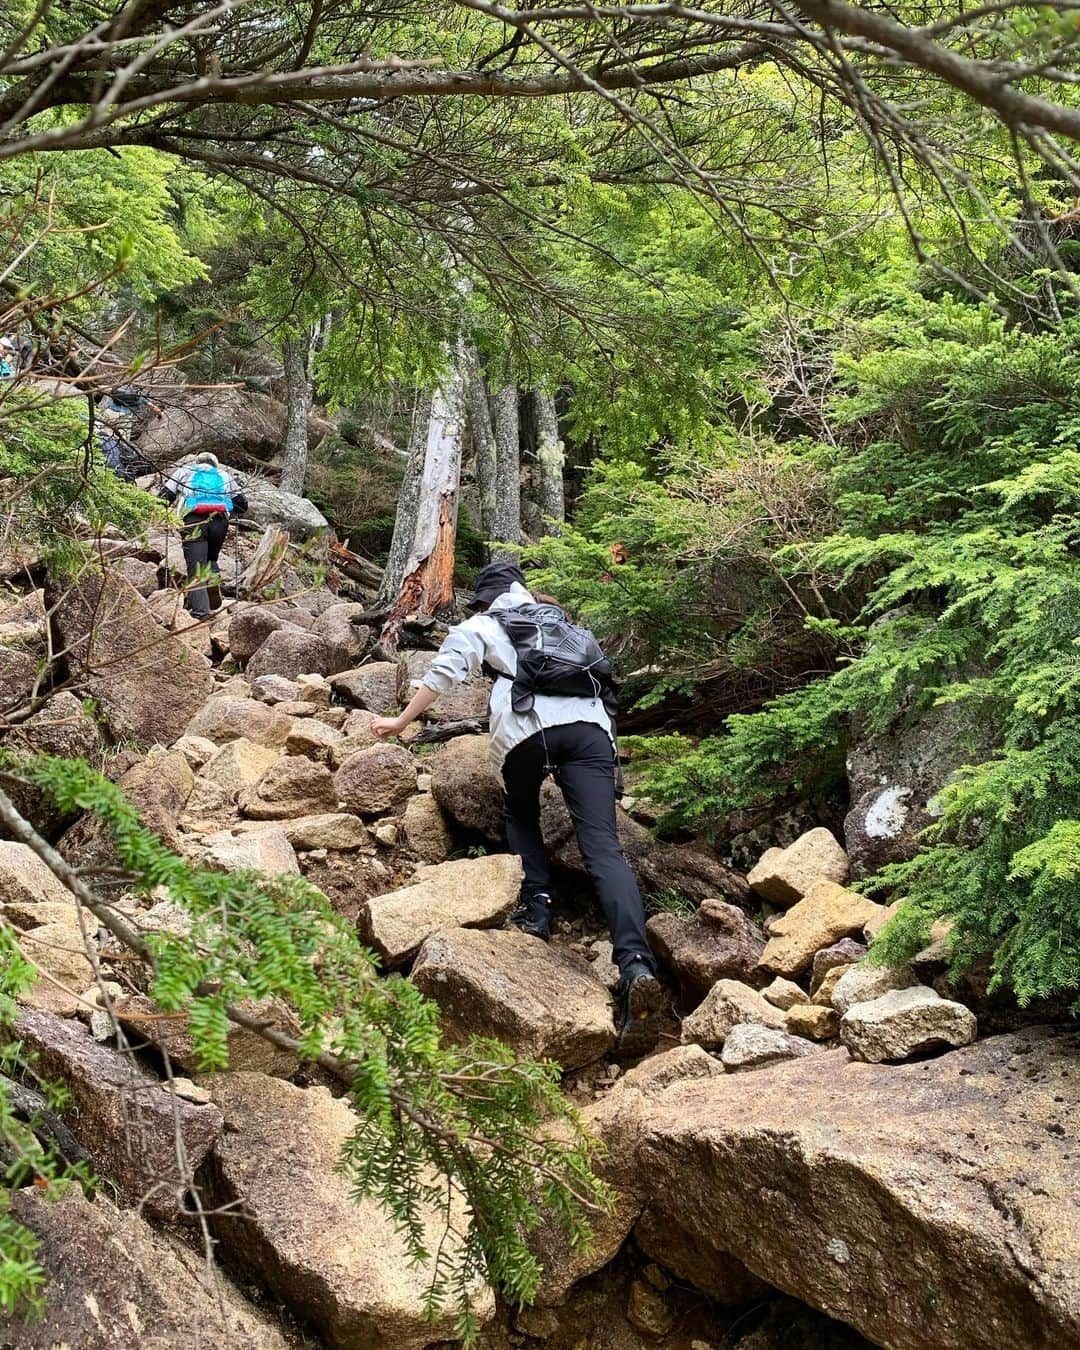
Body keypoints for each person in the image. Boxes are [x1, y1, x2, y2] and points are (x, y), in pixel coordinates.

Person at [370, 560, 662, 1038]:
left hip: (528, 733)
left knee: (520, 810)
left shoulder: (484, 623)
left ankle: (538, 907)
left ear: (486, 600)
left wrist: (400, 722)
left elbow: (445, 671)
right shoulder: (564, 625)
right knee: (605, 849)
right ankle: (635, 965)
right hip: (592, 734)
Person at [158, 453, 248, 620]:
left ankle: (201, 614)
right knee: (210, 557)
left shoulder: (184, 471)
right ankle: (212, 584)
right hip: (220, 522)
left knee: (196, 567)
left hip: (194, 521)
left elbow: (164, 497)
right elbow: (242, 505)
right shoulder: (224, 475)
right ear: (215, 464)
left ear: (197, 462)